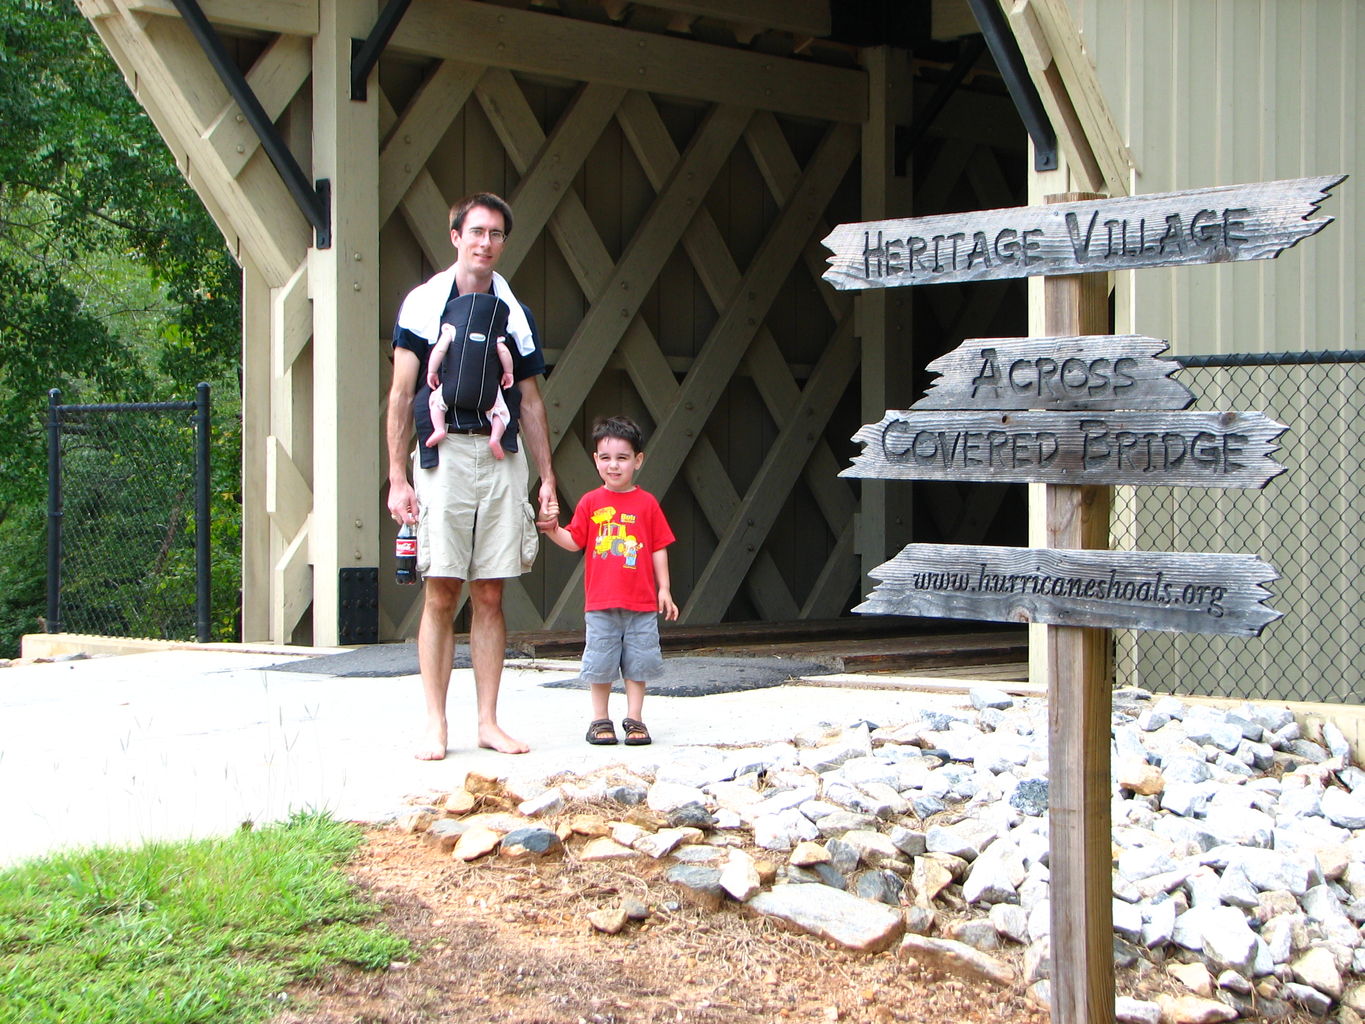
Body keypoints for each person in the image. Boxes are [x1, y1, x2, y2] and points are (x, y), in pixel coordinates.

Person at [386, 192, 557, 759]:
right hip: (445, 452)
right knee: (440, 590)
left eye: (496, 234)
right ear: (456, 235)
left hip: (500, 449)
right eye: (477, 232)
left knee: (490, 591)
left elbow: (530, 400)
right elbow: (402, 393)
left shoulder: (515, 310)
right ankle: (435, 723)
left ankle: (488, 721)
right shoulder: (425, 303)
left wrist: (547, 477)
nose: (486, 243)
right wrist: (396, 476)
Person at [539, 415, 678, 746]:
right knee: (600, 662)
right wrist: (554, 530)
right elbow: (575, 541)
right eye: (606, 458)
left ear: (638, 461)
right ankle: (600, 719)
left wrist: (665, 589)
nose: (613, 466)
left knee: (639, 662)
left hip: (642, 603)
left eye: (622, 458)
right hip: (600, 603)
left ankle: (635, 719)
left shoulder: (647, 503)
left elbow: (658, 547)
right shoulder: (590, 502)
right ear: (596, 460)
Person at [424, 292, 515, 458]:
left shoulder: (451, 329)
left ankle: (438, 428)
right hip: (487, 392)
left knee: (436, 402)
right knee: (502, 412)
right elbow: (504, 353)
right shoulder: (493, 335)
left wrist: (431, 371)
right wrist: (509, 373)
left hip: (453, 387)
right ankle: (495, 438)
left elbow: (440, 349)